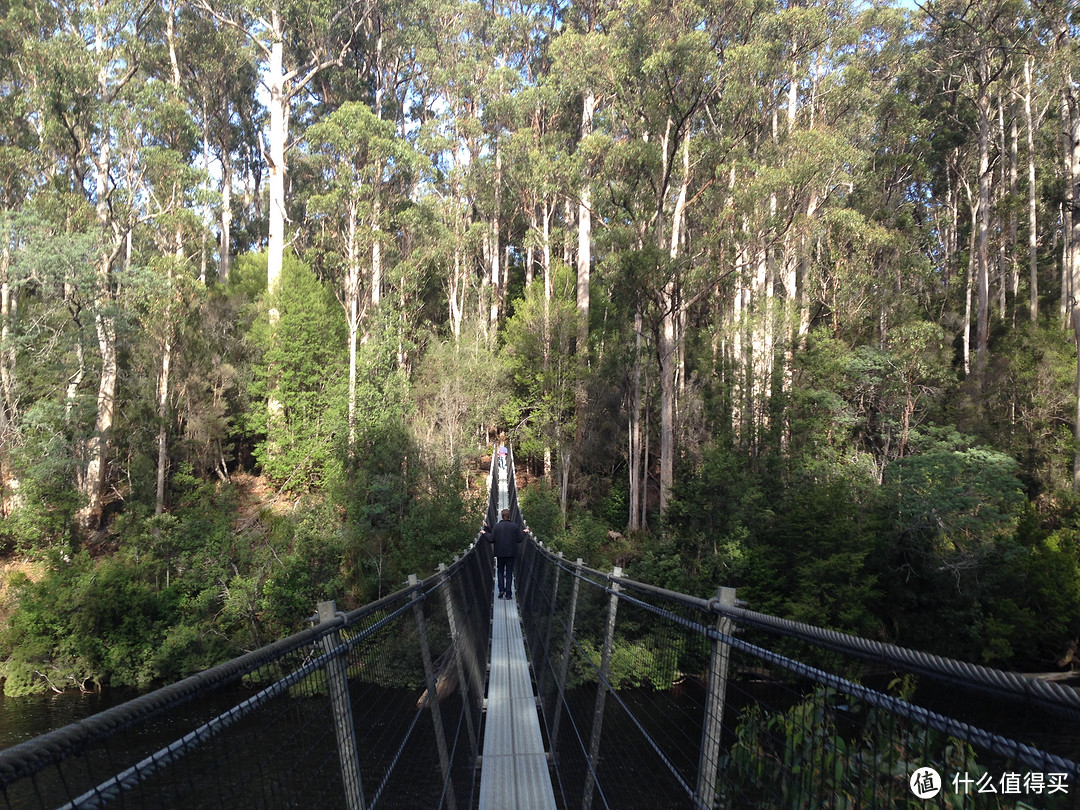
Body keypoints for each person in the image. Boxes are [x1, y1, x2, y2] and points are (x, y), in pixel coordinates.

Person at [483, 508, 525, 599]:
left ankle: (501, 589)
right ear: (510, 516)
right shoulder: (515, 526)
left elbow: (491, 539)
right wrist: (524, 532)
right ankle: (509, 595)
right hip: (511, 554)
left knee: (500, 571)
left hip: (500, 553)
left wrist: (484, 533)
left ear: (502, 516)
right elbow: (519, 539)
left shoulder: (497, 526)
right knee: (509, 573)